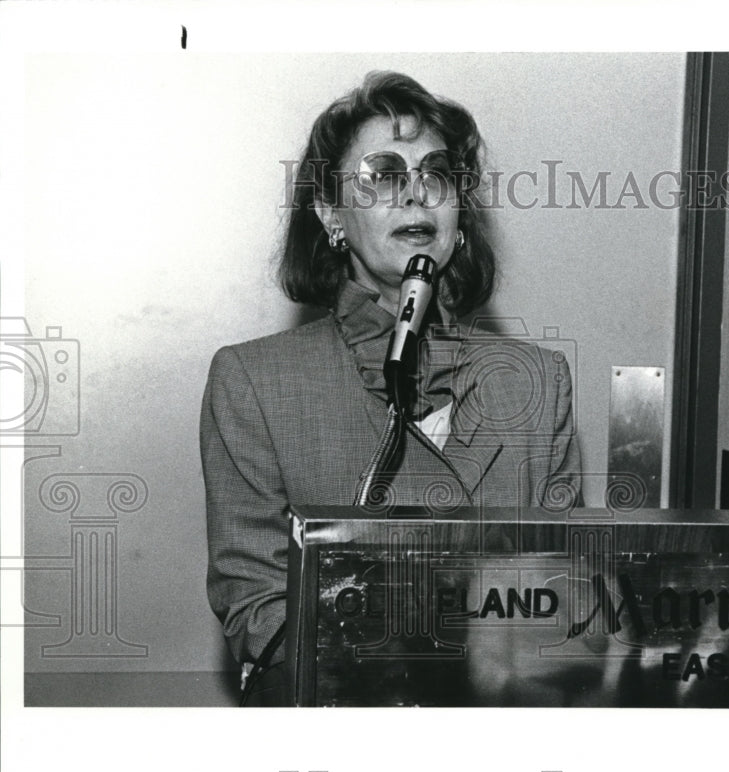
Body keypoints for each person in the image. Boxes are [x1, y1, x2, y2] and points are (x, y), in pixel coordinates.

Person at [199, 71, 582, 705]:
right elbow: (258, 604)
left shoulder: (539, 381)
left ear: (459, 218)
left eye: (436, 175)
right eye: (383, 175)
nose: (417, 196)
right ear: (331, 214)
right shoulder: (254, 381)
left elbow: (565, 589)